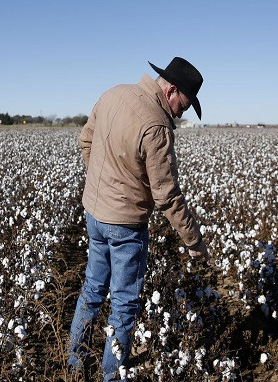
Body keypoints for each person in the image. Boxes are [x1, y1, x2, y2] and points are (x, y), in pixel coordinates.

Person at [67, 57, 210, 381]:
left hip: (94, 213)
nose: (179, 113)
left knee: (91, 289)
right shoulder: (156, 125)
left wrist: (102, 187)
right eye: (183, 106)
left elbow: (85, 140)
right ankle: (111, 376)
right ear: (171, 89)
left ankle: (74, 366)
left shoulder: (113, 94)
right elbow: (166, 195)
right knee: (123, 305)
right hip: (125, 228)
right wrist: (193, 241)